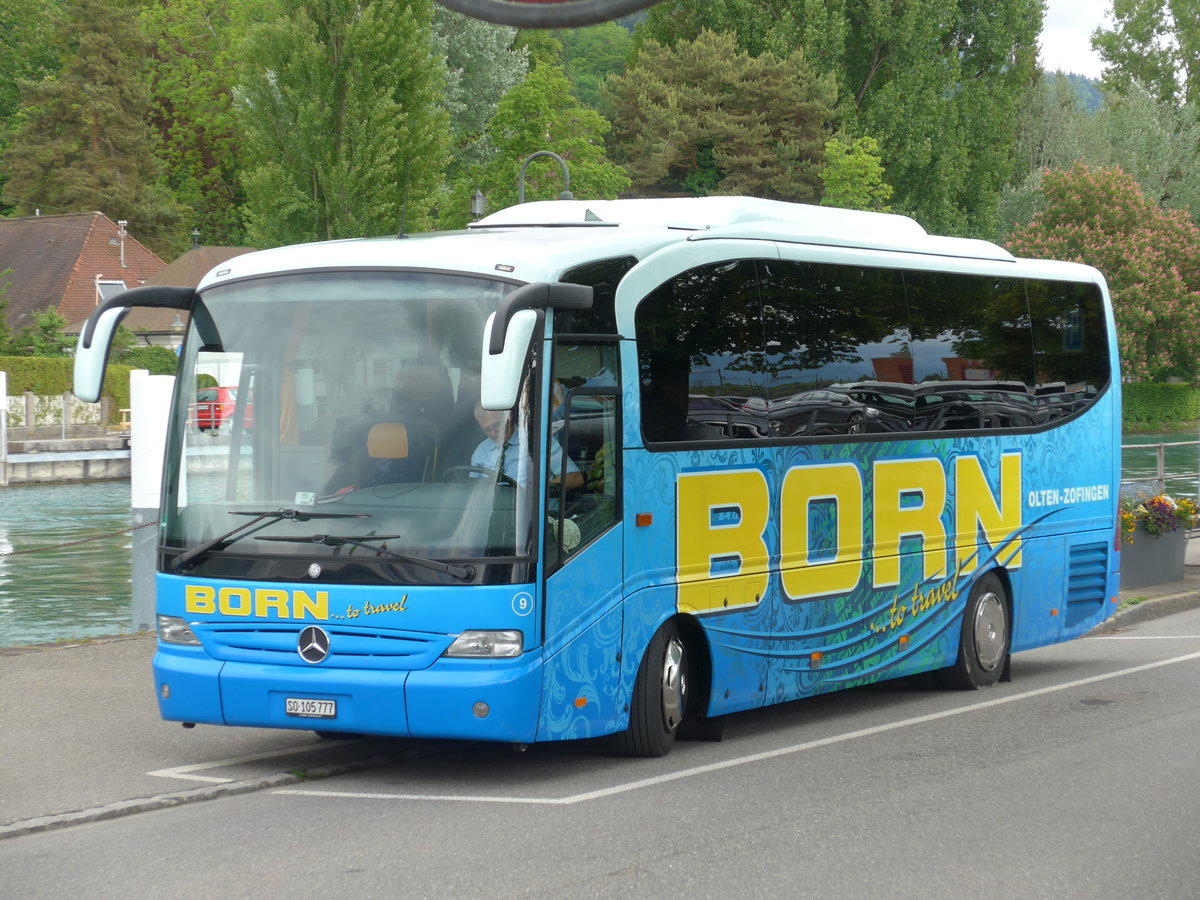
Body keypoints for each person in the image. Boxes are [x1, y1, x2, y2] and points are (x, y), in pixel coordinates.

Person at [471, 404, 583, 491]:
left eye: (496, 425)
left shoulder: (538, 441)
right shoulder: (480, 452)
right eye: (486, 429)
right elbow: (473, 491)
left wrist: (535, 492)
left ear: (509, 416)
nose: (493, 433)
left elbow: (575, 478)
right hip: (496, 515)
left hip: (537, 516)